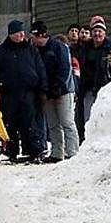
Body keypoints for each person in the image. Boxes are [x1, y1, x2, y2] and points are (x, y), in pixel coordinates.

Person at [0, 20, 48, 163]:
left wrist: (43, 90)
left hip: (29, 93)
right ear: (10, 35)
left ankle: (34, 150)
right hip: (9, 94)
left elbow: (40, 70)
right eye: (17, 33)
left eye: (22, 33)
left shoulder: (31, 49)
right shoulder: (0, 52)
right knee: (10, 123)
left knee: (30, 123)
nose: (21, 35)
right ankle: (11, 151)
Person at [29, 21, 78, 163]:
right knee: (53, 124)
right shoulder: (36, 50)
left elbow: (65, 69)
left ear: (40, 35)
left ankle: (73, 152)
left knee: (67, 121)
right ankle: (57, 152)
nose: (32, 40)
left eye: (33, 36)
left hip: (63, 91)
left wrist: (58, 86)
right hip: (47, 92)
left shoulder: (58, 47)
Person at [80, 17, 111, 136]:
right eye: (95, 31)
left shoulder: (110, 48)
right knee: (88, 117)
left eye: (100, 31)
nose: (97, 34)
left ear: (104, 33)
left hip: (105, 87)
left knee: (104, 117)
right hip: (88, 87)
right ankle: (88, 139)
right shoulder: (86, 48)